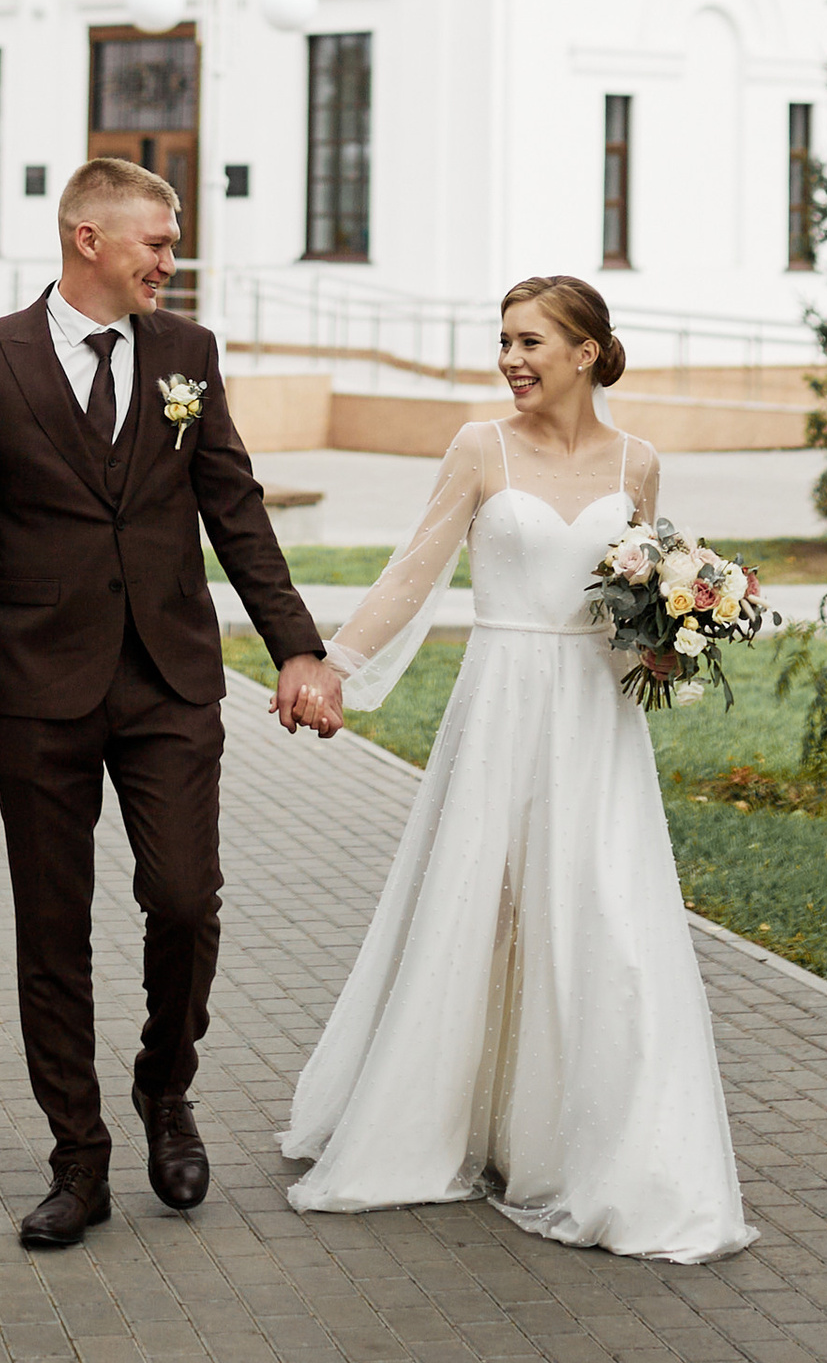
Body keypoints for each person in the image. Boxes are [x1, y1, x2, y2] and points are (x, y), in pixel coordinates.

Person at [0, 156, 343, 1248]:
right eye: (155, 241)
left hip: (168, 678)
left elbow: (232, 507)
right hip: (37, 689)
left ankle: (165, 1086)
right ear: (86, 240)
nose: (170, 259)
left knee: (186, 898)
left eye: (174, 240)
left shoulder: (187, 356)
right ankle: (79, 1157)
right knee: (51, 931)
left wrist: (299, 648)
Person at [282, 272, 755, 1263]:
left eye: (530, 342)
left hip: (593, 720)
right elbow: (414, 568)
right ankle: (442, 1122)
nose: (510, 359)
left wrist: (678, 635)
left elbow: (632, 622)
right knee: (481, 907)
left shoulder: (639, 462)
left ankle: (592, 1146)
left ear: (585, 353)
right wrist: (335, 665)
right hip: (499, 704)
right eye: (503, 340)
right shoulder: (479, 447)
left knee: (604, 921)